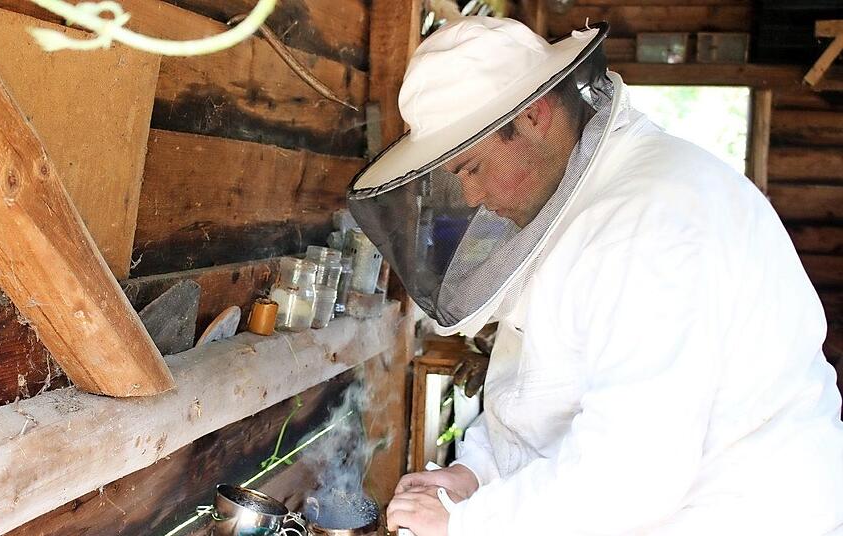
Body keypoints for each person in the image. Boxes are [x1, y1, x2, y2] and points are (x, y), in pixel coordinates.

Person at [346, 16, 843, 536]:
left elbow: (634, 474)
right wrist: (475, 473)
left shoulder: (650, 223)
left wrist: (467, 523)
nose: (471, 197)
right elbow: (545, 387)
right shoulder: (574, 205)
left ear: (534, 115)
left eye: (471, 168)